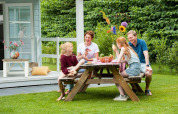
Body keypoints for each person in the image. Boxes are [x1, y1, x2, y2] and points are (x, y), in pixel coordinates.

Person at [112, 37, 141, 101]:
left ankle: (122, 95)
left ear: (119, 44)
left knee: (116, 77)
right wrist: (116, 51)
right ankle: (124, 94)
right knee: (118, 76)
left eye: (117, 44)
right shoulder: (127, 48)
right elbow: (123, 60)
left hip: (133, 69)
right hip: (136, 69)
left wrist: (117, 52)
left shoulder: (123, 48)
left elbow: (119, 60)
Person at [127, 30, 152, 96]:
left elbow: (146, 54)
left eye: (131, 37)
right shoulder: (129, 44)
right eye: (129, 38)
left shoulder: (142, 42)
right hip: (134, 64)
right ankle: (134, 87)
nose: (130, 39)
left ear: (136, 36)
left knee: (148, 73)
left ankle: (147, 89)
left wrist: (147, 65)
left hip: (143, 63)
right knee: (126, 74)